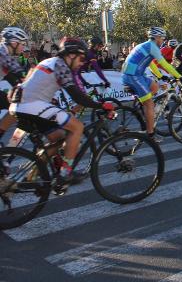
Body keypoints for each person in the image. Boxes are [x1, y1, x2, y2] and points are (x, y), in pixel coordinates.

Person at [8, 38, 114, 186]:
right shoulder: (61, 65)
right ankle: (65, 173)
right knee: (77, 127)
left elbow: (31, 82)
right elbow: (77, 95)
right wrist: (101, 106)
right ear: (71, 55)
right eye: (81, 58)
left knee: (59, 137)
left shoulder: (48, 62)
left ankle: (32, 173)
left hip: (20, 106)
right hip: (32, 105)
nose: (82, 62)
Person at [121, 27, 182, 142]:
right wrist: (179, 76)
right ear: (157, 38)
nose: (163, 41)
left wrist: (160, 76)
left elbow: (150, 64)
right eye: (162, 38)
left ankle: (144, 110)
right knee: (149, 104)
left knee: (154, 86)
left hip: (135, 74)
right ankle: (150, 134)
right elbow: (164, 64)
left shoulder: (146, 45)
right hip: (132, 76)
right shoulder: (153, 47)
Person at [0, 27, 30, 146]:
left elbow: (13, 79)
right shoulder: (3, 53)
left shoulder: (5, 53)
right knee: (14, 107)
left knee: (13, 106)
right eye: (22, 43)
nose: (23, 47)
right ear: (14, 42)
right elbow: (19, 74)